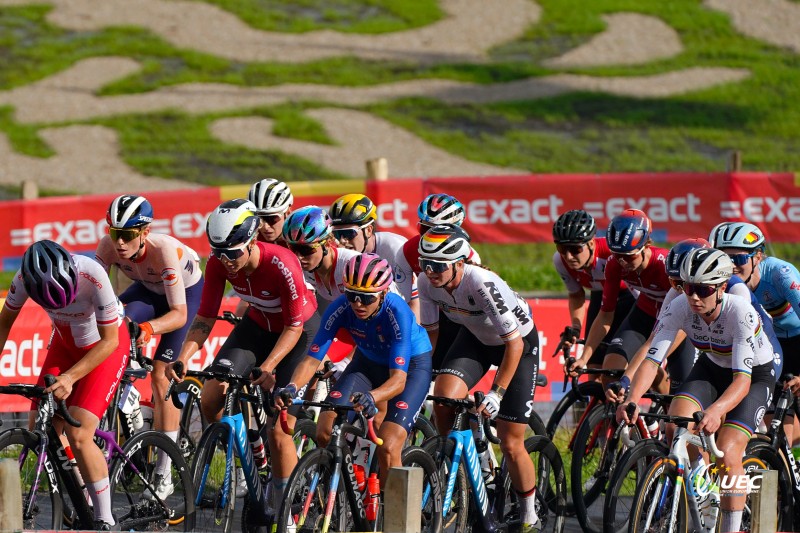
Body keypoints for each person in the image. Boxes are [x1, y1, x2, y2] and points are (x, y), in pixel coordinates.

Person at [165, 199, 318, 513]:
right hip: (258, 325)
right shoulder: (219, 262)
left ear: (252, 242)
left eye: (233, 253)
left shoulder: (281, 263)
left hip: (299, 332)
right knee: (211, 397)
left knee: (279, 426)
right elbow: (205, 318)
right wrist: (183, 357)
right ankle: (243, 461)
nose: (227, 261)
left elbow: (292, 326)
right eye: (219, 253)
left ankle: (283, 504)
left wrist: (268, 366)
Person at [618, 248, 776, 533]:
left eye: (702, 289)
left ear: (721, 288)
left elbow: (741, 381)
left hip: (753, 377)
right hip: (712, 366)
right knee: (675, 426)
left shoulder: (739, 312)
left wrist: (717, 410)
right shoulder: (680, 306)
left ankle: (730, 525)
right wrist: (631, 400)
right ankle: (703, 490)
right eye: (688, 287)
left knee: (727, 451)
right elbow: (652, 361)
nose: (693, 297)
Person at [416, 224, 542, 532]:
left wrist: (497, 394)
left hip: (518, 346)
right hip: (475, 340)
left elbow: (515, 344)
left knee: (512, 442)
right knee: (444, 398)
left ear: (459, 263)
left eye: (437, 265)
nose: (430, 271)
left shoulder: (482, 282)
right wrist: (418, 374)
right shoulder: (427, 282)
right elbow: (431, 336)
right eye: (424, 263)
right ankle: (457, 465)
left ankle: (530, 514)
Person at [0, 240, 129, 531]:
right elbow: (3, 324)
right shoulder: (22, 278)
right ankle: (80, 491)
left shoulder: (93, 274)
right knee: (40, 425)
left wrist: (71, 377)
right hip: (65, 342)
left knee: (80, 432)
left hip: (105, 345)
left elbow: (110, 341)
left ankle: (105, 518)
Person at [275, 253, 432, 487]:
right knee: (325, 429)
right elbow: (311, 359)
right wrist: (292, 387)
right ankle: (344, 494)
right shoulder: (341, 308)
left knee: (388, 445)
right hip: (367, 362)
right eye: (352, 295)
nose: (358, 304)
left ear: (383, 293)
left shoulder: (396, 311)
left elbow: (398, 381)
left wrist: (373, 396)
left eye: (366, 298)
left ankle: (396, 518)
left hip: (411, 367)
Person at [95, 194, 203, 498]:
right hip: (147, 289)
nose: (119, 243)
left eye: (127, 235)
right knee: (116, 324)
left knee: (160, 376)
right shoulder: (107, 246)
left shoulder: (164, 251)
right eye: (115, 233)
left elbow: (179, 314)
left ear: (144, 232)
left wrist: (148, 328)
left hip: (185, 296)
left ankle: (163, 474)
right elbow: (98, 296)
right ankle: (129, 399)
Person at [569, 209, 695, 394]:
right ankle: (629, 421)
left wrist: (653, 359)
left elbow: (684, 317)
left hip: (680, 322)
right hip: (645, 313)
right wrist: (583, 357)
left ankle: (660, 415)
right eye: (617, 255)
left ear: (646, 245)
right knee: (611, 374)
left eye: (629, 256)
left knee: (678, 395)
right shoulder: (614, 265)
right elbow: (605, 315)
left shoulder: (665, 266)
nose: (622, 262)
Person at [711, 221, 800, 441]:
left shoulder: (781, 275)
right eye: (725, 258)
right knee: (777, 436)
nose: (731, 266)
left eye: (739, 259)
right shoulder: (723, 285)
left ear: (758, 257)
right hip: (773, 346)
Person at [400, 193, 480, 369]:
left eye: (438, 229)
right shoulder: (406, 251)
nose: (430, 237)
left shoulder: (472, 258)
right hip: (428, 313)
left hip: (461, 318)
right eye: (424, 229)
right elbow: (404, 304)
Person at [551, 209, 636, 367]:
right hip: (601, 297)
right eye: (562, 249)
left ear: (591, 243)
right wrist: (576, 328)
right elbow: (576, 295)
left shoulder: (612, 253)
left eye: (575, 249)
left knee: (621, 363)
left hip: (629, 297)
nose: (569, 256)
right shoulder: (560, 261)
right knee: (593, 367)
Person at [329, 193, 419, 317]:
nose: (343, 241)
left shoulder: (395, 248)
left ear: (369, 230)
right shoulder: (341, 255)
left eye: (349, 233)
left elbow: (413, 302)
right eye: (337, 235)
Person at [247, 178, 294, 245]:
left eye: (271, 219)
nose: (265, 227)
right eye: (258, 219)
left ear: (288, 212)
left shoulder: (302, 240)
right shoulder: (250, 237)